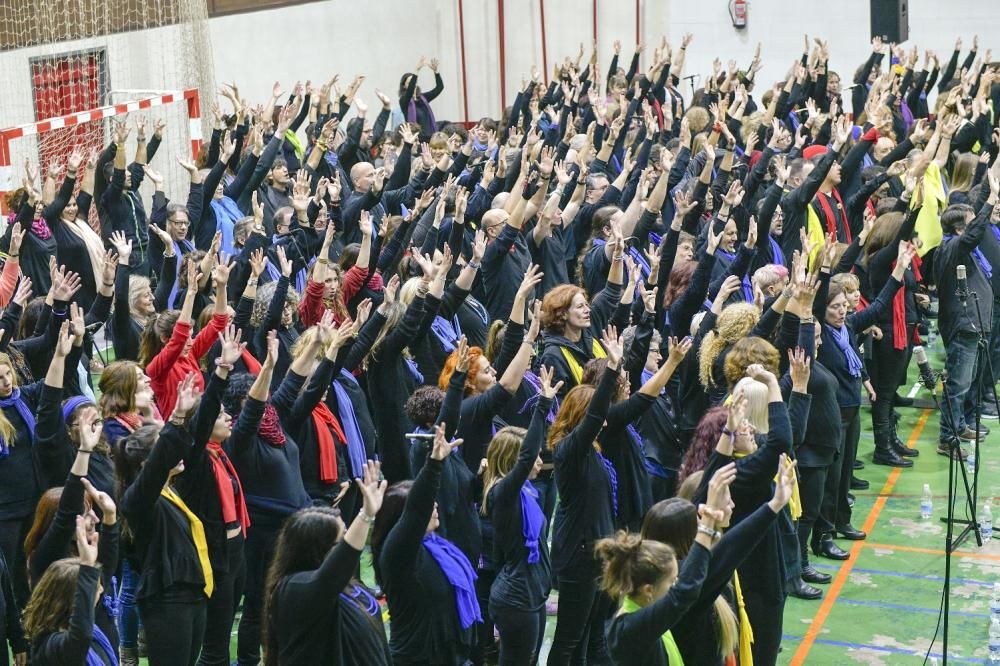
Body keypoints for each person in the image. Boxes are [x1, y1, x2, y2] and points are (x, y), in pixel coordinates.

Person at [117, 374, 209, 666]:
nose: (176, 449)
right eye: (164, 448)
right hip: (168, 601)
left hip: (191, 595)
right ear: (147, 465)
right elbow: (158, 464)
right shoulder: (137, 500)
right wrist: (177, 416)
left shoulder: (170, 492)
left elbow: (199, 433)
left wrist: (218, 378)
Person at [372, 421, 479, 665]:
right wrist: (434, 465)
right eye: (428, 504)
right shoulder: (398, 554)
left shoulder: (437, 546)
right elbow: (417, 508)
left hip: (453, 657)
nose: (435, 506)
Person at [262, 460, 390, 665]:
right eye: (341, 541)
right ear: (315, 549)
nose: (348, 545)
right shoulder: (295, 589)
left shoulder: (349, 585)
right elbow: (337, 567)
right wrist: (365, 516)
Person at [483, 366, 561, 665]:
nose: (540, 462)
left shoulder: (527, 492)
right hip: (516, 596)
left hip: (532, 593)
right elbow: (528, 454)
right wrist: (542, 405)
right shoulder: (503, 493)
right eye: (532, 457)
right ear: (513, 462)